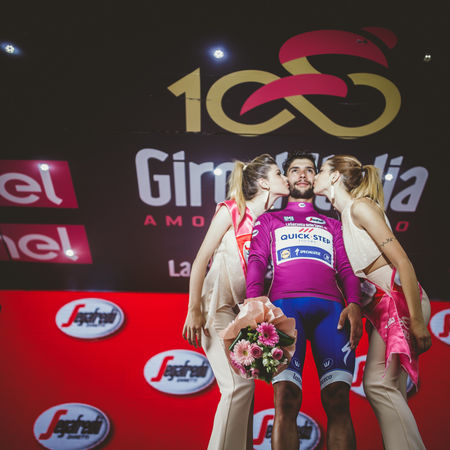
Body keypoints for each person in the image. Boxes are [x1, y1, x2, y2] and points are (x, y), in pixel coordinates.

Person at [313, 154, 431, 449]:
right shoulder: (343, 218)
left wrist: (418, 323)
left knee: (378, 384)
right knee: (390, 389)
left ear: (334, 176)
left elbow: (403, 262)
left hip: (400, 303)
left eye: (320, 170)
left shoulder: (360, 207)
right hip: (381, 313)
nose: (314, 176)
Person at [246, 152, 362, 450]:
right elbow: (256, 260)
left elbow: (347, 267)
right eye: (295, 170)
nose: (302, 174)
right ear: (286, 179)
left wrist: (354, 302)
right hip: (284, 310)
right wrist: (253, 301)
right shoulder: (269, 219)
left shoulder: (333, 223)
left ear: (316, 177)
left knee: (338, 398)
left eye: (309, 170)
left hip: (332, 312)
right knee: (285, 398)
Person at [182, 153, 290, 450]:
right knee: (236, 387)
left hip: (240, 316)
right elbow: (200, 260)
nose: (285, 178)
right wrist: (194, 310)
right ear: (264, 183)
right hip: (214, 309)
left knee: (246, 391)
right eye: (279, 174)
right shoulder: (232, 210)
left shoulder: (269, 223)